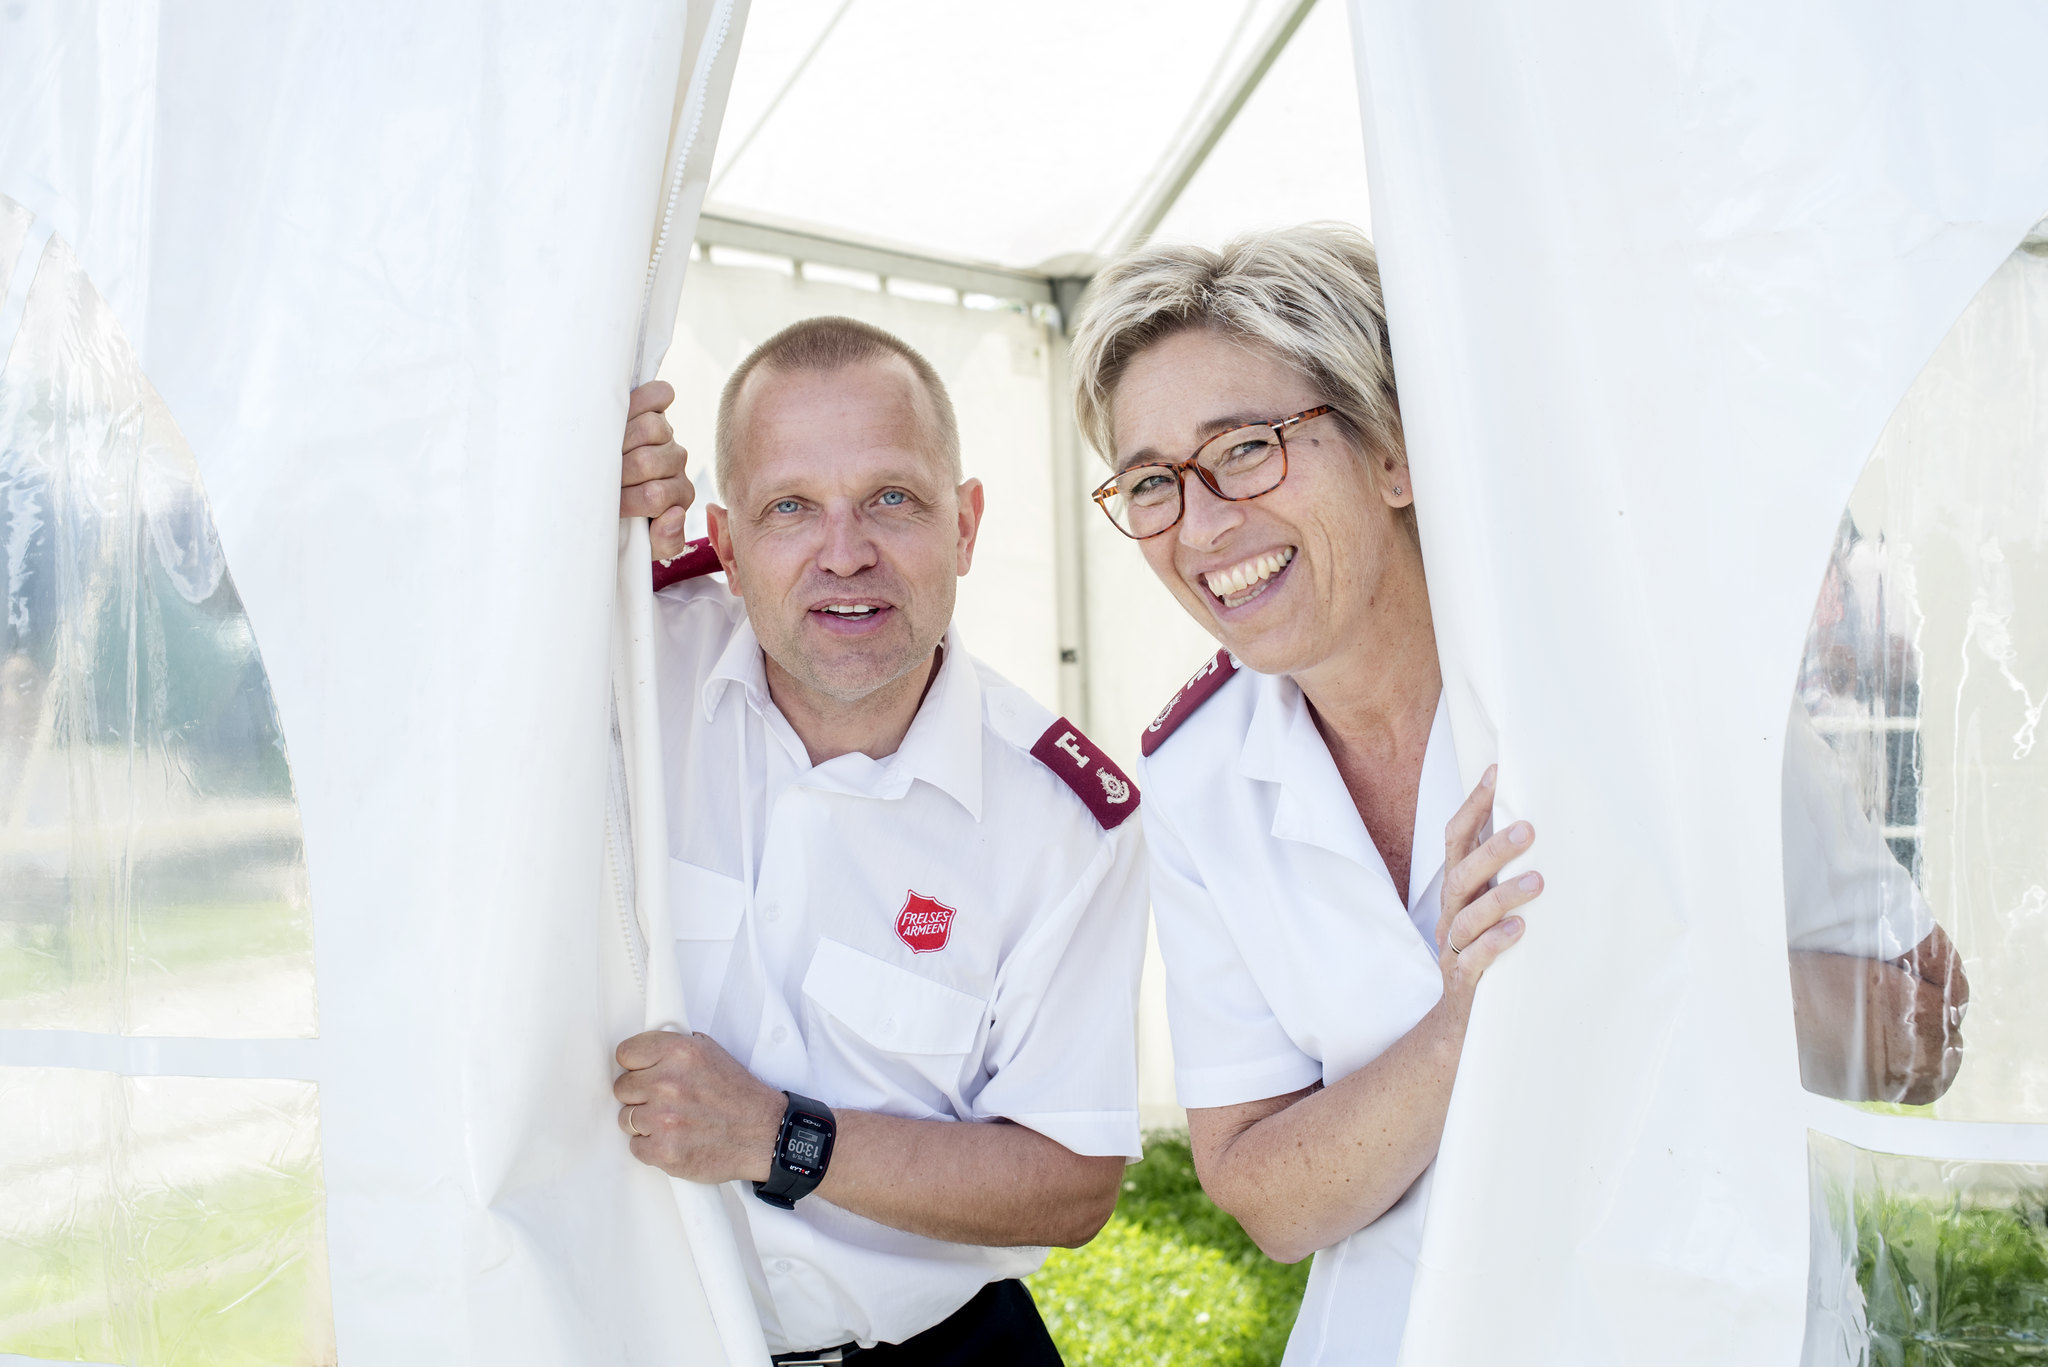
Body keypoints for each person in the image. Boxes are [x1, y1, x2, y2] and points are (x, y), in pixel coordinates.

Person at [1058, 223, 1968, 1365]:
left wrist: (1651, 957)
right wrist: (1469, 1022)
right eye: (1151, 481)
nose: (1199, 525)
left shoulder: (1640, 694)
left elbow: (1926, 1031)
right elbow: (1266, 1197)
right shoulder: (1196, 774)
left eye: (1245, 448)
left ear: (1396, 452)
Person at [610, 317, 1147, 1365]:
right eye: (790, 507)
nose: (845, 552)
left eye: (892, 498)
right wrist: (562, 512)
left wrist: (778, 1135)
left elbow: (1071, 1181)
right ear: (725, 543)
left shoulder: (1066, 827)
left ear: (967, 525)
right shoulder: (623, 665)